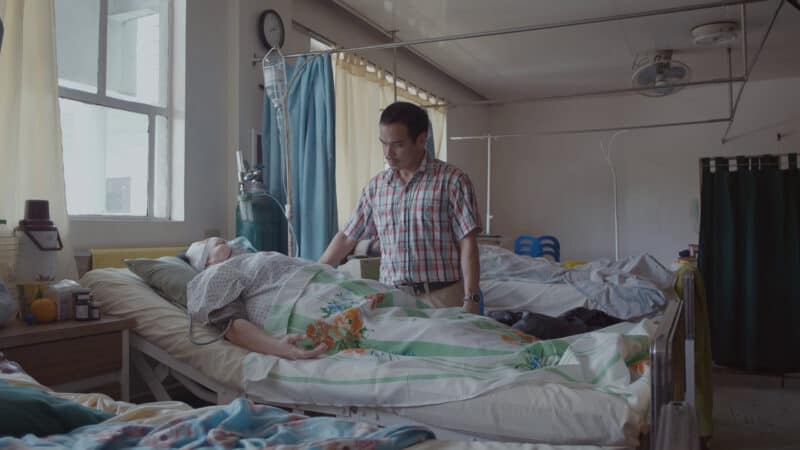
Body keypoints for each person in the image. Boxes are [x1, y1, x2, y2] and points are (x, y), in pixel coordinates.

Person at [319, 102, 483, 313]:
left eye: (398, 145)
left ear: (422, 139)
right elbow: (347, 237)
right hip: (392, 298)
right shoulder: (376, 187)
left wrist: (471, 298)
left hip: (441, 297)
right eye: (383, 143)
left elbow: (467, 243)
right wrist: (315, 273)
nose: (388, 153)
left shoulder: (452, 181)